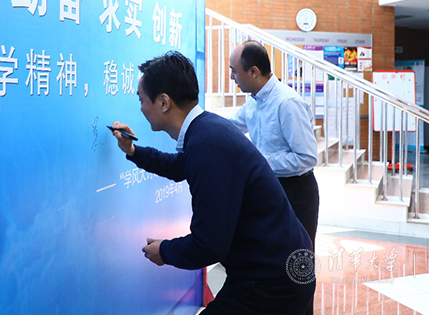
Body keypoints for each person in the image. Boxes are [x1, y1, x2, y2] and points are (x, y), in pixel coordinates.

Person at [111, 51, 315, 315]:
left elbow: (208, 245)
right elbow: (179, 166)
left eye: (142, 100)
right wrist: (133, 151)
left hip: (273, 282)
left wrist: (165, 251)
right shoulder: (206, 131)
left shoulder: (206, 144)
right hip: (273, 269)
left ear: (163, 102)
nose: (141, 108)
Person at [228, 40, 320, 252]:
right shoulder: (254, 101)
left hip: (295, 191)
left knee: (295, 259)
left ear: (253, 71)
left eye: (234, 71)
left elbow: (307, 157)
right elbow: (230, 127)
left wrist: (258, 162)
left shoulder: (287, 103)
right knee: (268, 256)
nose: (232, 77)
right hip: (269, 185)